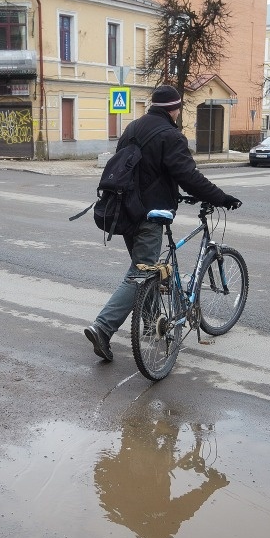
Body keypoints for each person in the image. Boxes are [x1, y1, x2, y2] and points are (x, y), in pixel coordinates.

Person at [84, 85, 242, 362]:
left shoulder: (134, 127)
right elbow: (188, 176)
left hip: (125, 211)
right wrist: (221, 197)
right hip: (149, 214)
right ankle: (103, 328)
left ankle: (152, 324)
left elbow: (144, 170)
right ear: (175, 109)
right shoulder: (170, 135)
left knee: (148, 271)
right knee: (141, 274)